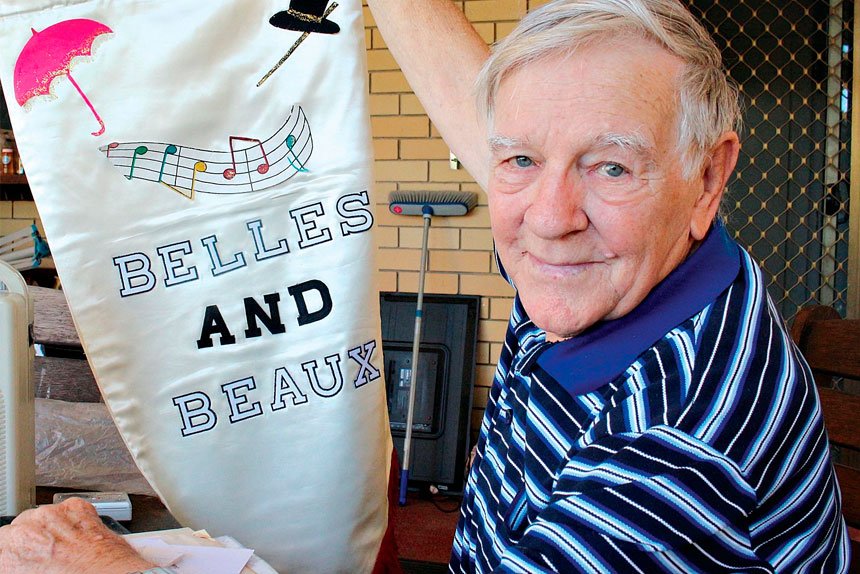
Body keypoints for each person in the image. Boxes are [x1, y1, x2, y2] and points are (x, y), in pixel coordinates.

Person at [0, 0, 849, 572]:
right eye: (518, 159)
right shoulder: (646, 257)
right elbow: (511, 138)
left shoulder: (672, 448)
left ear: (708, 177)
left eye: (610, 164)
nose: (546, 218)